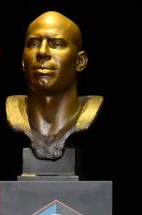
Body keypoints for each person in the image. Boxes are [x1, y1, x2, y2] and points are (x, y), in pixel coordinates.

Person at [6, 10, 102, 159]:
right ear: (23, 61)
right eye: (34, 43)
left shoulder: (89, 112)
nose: (42, 52)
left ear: (80, 62)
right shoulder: (15, 112)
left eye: (56, 44)